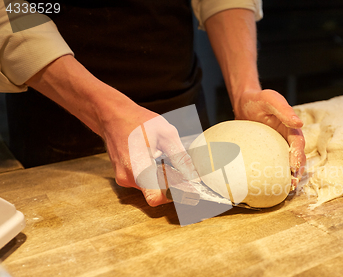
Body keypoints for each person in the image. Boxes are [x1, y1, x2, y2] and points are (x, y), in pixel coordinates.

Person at [0, 0, 305, 207]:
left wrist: (244, 91)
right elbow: (10, 8)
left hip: (178, 95)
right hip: (62, 108)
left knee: (201, 222)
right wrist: (103, 111)